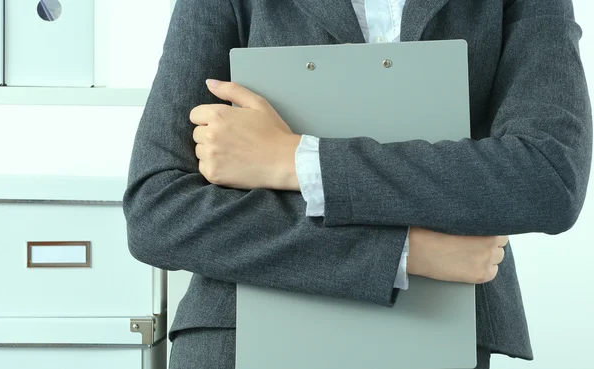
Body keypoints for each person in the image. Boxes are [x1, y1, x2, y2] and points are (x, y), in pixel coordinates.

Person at [123, 0, 592, 368]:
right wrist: (405, 253)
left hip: (442, 331)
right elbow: (157, 210)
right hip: (241, 332)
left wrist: (294, 160)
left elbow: (549, 176)